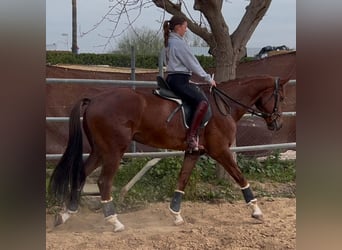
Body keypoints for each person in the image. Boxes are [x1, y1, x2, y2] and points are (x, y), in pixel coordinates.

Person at [163, 15, 216, 152]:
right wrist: (208, 78)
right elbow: (192, 63)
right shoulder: (179, 43)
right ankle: (191, 137)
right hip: (179, 81)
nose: (186, 30)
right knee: (202, 102)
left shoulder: (169, 42)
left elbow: (170, 64)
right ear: (178, 27)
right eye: (185, 27)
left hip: (174, 79)